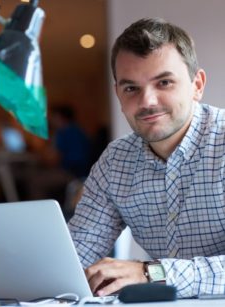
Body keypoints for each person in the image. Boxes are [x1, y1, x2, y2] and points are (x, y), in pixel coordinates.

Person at [68, 17, 225, 299]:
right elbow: (75, 257)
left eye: (164, 82)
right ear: (118, 93)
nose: (147, 102)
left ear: (197, 85)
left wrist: (150, 272)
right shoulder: (115, 162)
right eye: (131, 88)